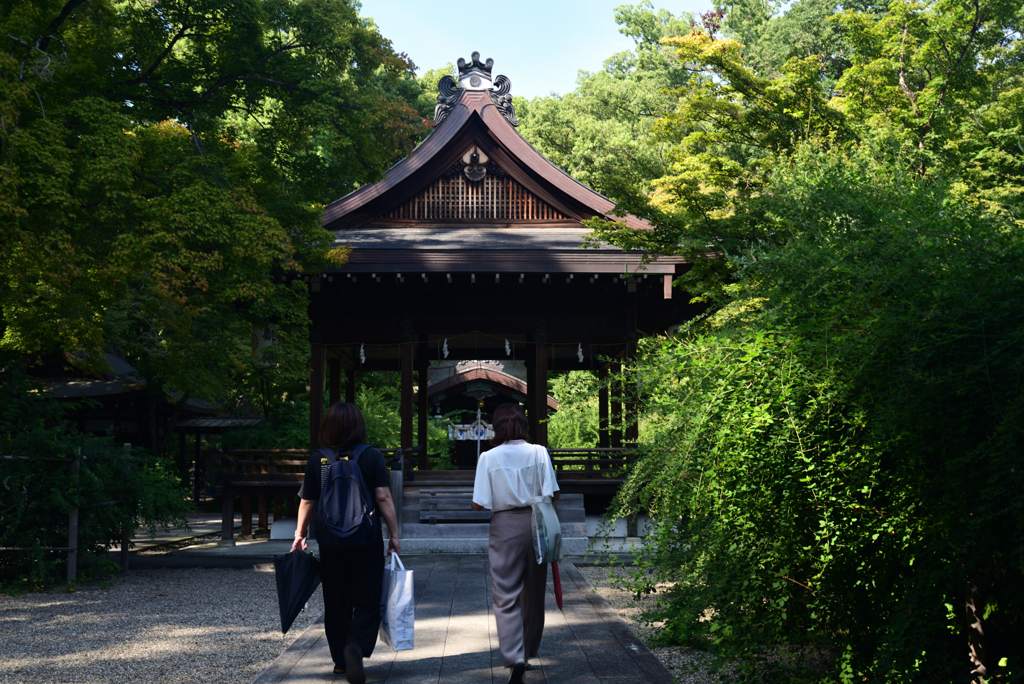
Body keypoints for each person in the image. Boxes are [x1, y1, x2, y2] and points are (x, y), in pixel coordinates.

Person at [291, 402, 400, 684]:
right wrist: (394, 534)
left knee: (336, 599)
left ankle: (340, 662)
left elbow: (308, 500)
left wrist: (299, 534)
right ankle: (356, 646)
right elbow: (384, 498)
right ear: (358, 426)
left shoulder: (320, 459)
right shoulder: (371, 455)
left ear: (328, 427)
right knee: (367, 598)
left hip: (330, 540)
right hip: (365, 538)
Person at [472, 403, 560, 684]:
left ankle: (514, 655)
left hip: (504, 526)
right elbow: (552, 494)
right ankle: (528, 650)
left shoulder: (488, 457)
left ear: (497, 427)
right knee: (533, 593)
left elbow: (478, 504)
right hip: (536, 523)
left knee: (506, 594)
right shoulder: (539, 452)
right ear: (523, 423)